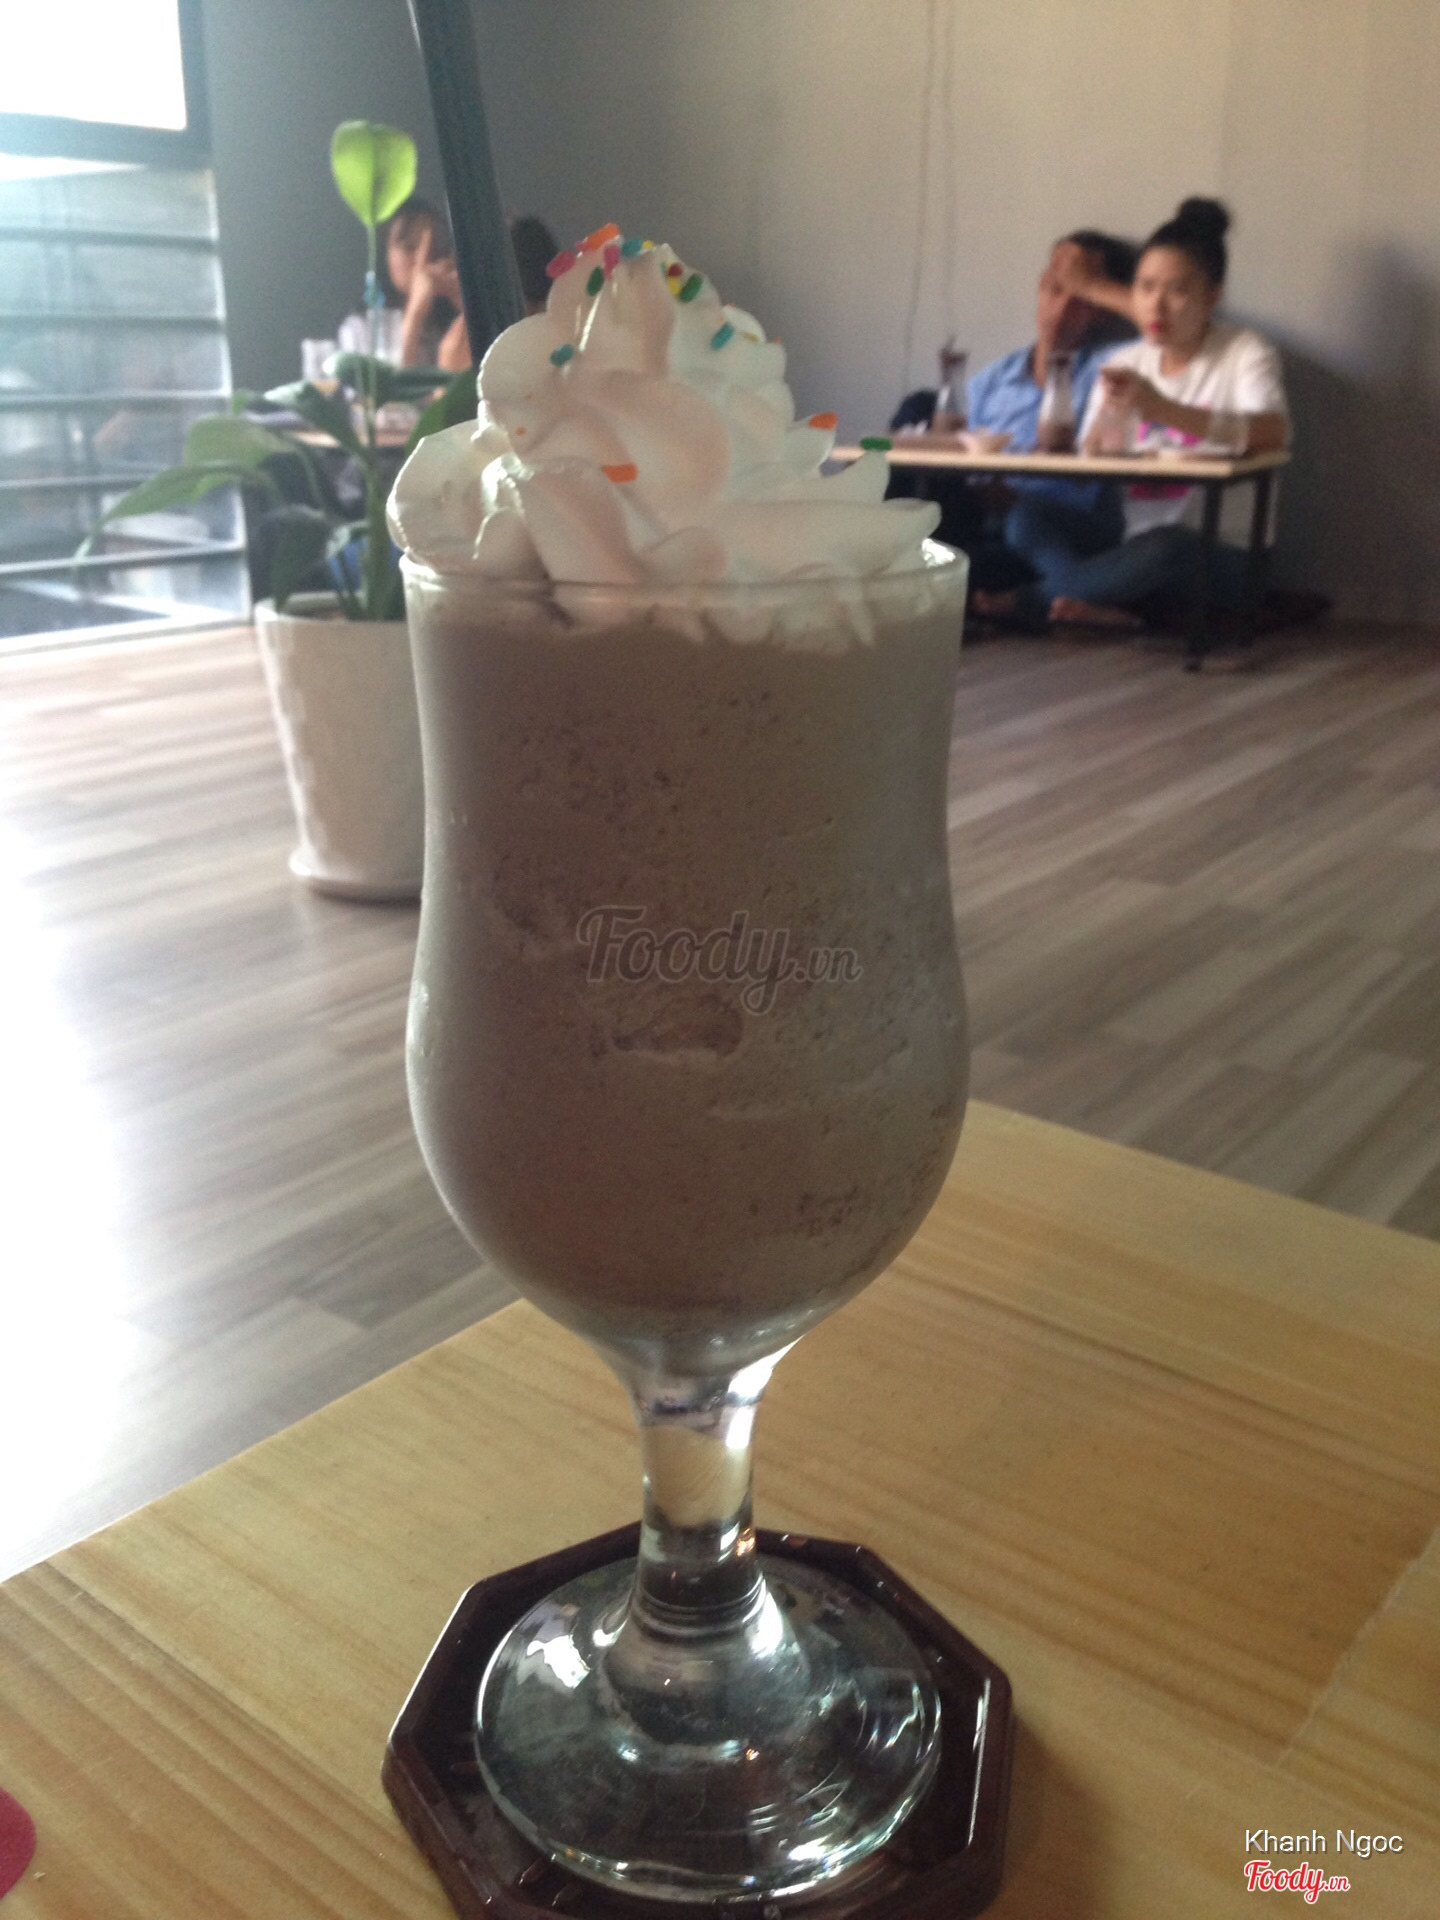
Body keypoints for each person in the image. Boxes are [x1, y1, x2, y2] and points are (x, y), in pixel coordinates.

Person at [978, 198, 1289, 630]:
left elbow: (1274, 431)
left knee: (1167, 546)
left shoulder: (1243, 351)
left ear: (1211, 296)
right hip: (1129, 544)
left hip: (1223, 556)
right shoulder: (1127, 361)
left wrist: (1164, 409)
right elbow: (1093, 461)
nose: (1156, 308)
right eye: (1145, 288)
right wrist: (1105, 432)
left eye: (1176, 291)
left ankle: (1028, 602)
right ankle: (1108, 606)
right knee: (1027, 518)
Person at [889, 229, 1136, 590]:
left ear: (1100, 311)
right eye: (1055, 288)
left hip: (1050, 530)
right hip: (974, 517)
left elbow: (1169, 336)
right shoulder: (995, 380)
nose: (1062, 308)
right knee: (920, 408)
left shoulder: (1111, 372)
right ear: (1040, 286)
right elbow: (959, 452)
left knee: (952, 559)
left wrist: (1096, 287)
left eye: (1080, 297)